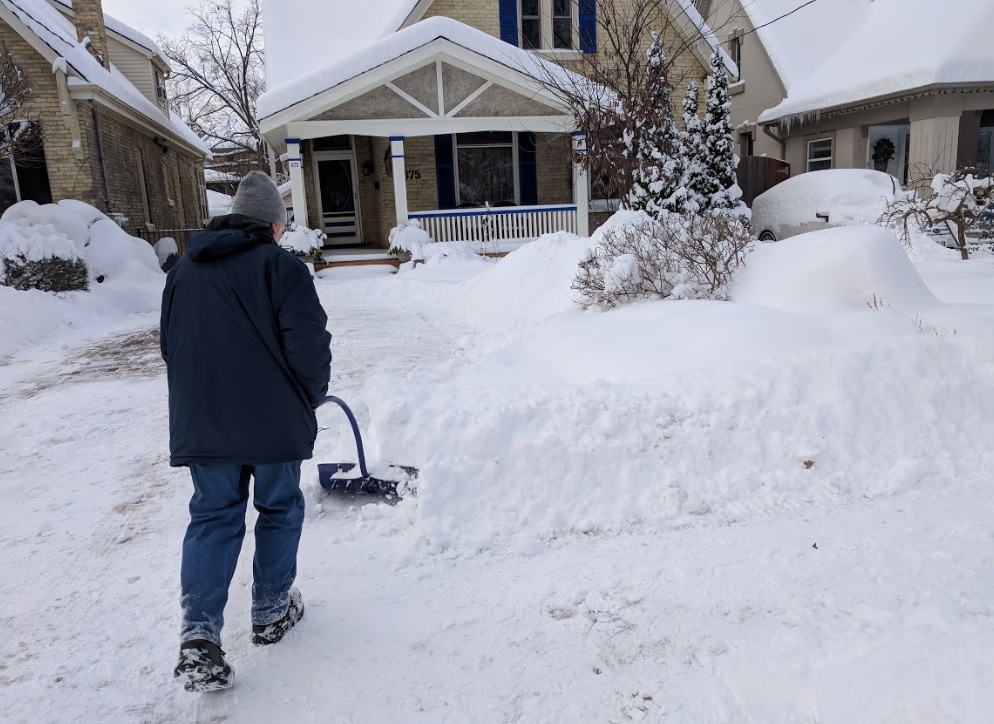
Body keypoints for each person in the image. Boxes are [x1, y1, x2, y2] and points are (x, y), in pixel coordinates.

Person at [160, 171, 332, 692]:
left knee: (212, 517)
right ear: (274, 226)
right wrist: (310, 395)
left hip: (204, 420)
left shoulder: (184, 272)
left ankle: (199, 637)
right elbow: (308, 347)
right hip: (273, 420)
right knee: (279, 508)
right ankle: (270, 612)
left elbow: (171, 347)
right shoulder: (282, 268)